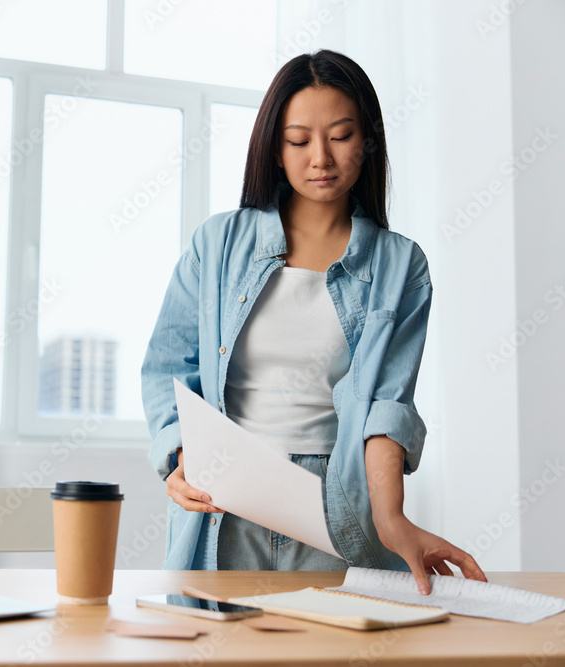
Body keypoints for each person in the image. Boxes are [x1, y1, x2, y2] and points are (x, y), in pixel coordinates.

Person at [140, 49, 486, 595]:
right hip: (225, 498)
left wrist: (391, 518)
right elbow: (169, 366)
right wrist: (184, 455)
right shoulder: (219, 244)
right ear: (275, 150)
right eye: (299, 140)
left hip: (335, 503)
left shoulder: (400, 265)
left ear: (368, 141)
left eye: (341, 135)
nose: (320, 157)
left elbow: (384, 408)